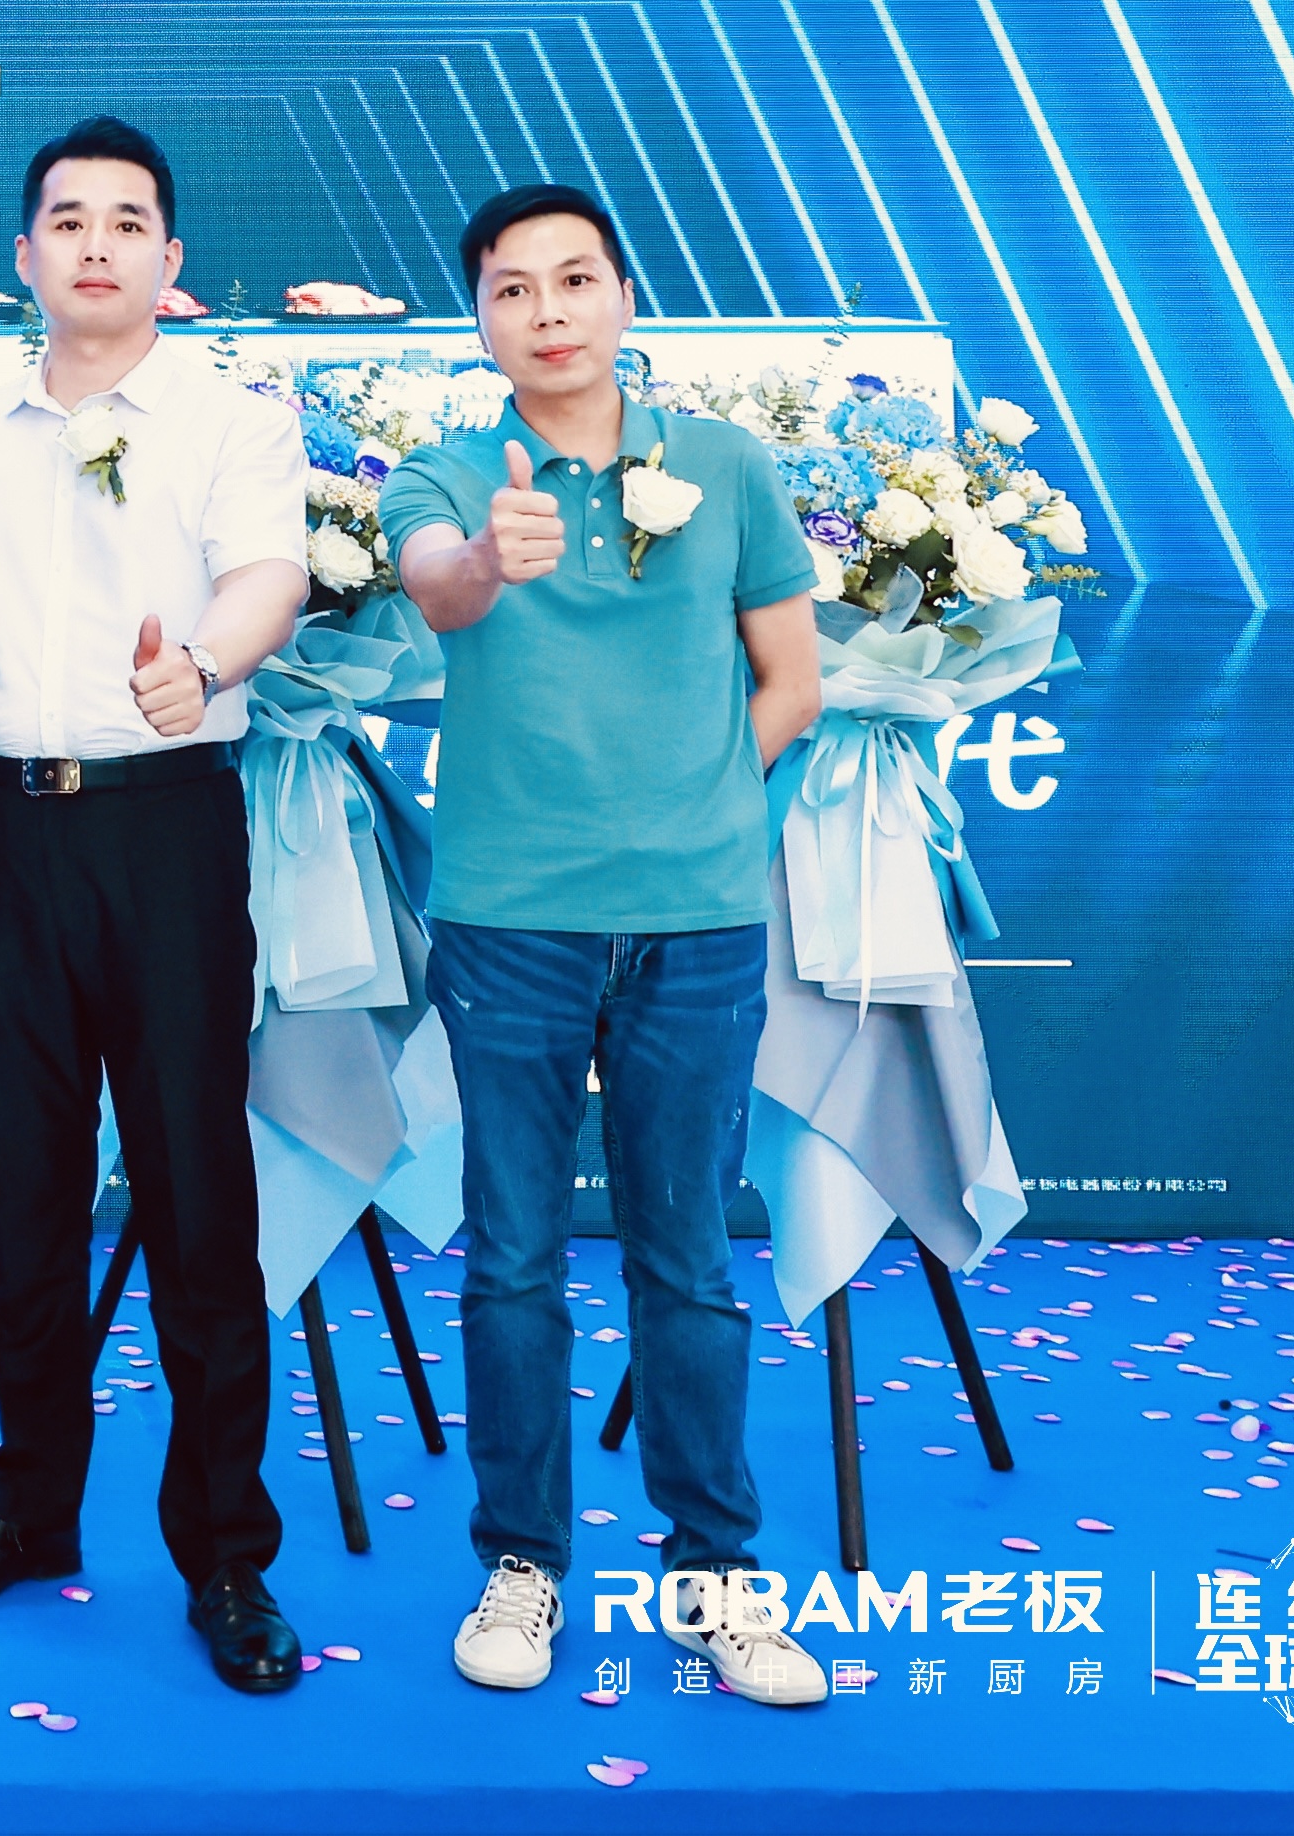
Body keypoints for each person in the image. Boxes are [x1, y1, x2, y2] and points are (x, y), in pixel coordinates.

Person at [380, 182, 831, 1709]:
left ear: (625, 297)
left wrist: (701, 808)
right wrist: (488, 557)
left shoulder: (727, 462)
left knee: (689, 1259)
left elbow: (792, 681)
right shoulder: (449, 471)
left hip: (697, 922)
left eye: (575, 279)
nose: (548, 310)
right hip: (509, 920)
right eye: (513, 288)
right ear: (481, 320)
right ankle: (524, 1560)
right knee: (512, 1256)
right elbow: (436, 582)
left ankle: (716, 1574)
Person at [0, 117, 312, 1695]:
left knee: (200, 1198)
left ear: (170, 258)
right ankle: (30, 1509)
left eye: (128, 221)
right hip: (10, 828)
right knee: (27, 1196)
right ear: (24, 255)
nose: (95, 244)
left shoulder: (229, 418)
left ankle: (226, 1552)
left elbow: (270, 577)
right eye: (66, 219)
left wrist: (201, 661)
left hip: (167, 825)